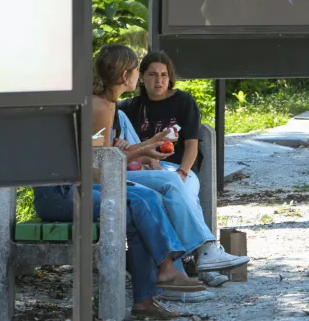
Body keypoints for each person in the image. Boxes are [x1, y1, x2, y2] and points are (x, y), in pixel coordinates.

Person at [35, 47, 207, 319]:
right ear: (126, 74)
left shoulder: (107, 103)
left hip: (78, 187)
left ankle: (145, 300)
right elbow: (93, 167)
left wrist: (145, 148)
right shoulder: (100, 106)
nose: (139, 76)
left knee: (141, 207)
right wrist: (138, 159)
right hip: (59, 194)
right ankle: (167, 268)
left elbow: (99, 159)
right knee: (141, 200)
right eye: (138, 70)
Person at [94, 47, 249, 287]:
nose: (158, 80)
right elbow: (102, 158)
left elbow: (107, 153)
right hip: (113, 177)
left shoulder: (116, 105)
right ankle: (198, 257)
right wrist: (145, 151)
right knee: (166, 187)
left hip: (156, 169)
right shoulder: (112, 107)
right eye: (146, 73)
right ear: (131, 76)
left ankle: (194, 260)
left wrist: (161, 157)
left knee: (175, 184)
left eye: (164, 75)